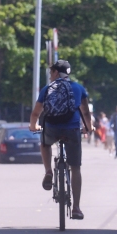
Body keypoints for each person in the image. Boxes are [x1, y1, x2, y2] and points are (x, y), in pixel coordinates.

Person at [30, 60, 92, 220]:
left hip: (52, 127)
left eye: (51, 72)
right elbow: (85, 112)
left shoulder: (47, 89)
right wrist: (88, 127)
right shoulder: (78, 88)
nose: (51, 76)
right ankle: (77, 208)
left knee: (45, 143)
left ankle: (49, 171)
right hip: (72, 129)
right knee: (76, 168)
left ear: (57, 73)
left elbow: (36, 113)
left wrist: (33, 126)